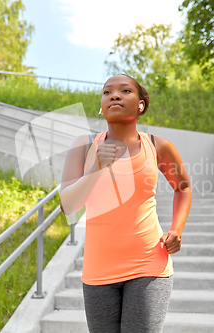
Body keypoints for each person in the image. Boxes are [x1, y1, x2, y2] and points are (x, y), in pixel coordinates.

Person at [59, 73, 192, 333]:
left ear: (141, 104)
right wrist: (95, 168)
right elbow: (68, 206)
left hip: (149, 264)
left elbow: (183, 187)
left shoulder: (158, 146)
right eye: (107, 92)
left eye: (125, 91)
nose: (114, 95)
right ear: (101, 104)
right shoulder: (84, 145)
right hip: (98, 269)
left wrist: (177, 229)